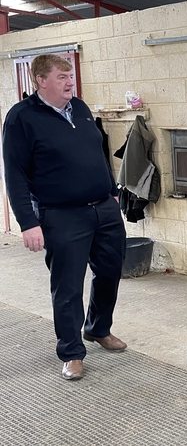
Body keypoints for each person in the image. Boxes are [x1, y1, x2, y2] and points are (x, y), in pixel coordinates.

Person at [2, 54, 127, 380]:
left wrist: (112, 190)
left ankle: (98, 329)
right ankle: (71, 352)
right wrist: (28, 222)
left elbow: (96, 151)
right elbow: (14, 174)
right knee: (68, 287)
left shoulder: (81, 109)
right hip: (62, 215)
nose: (70, 82)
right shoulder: (21, 119)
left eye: (70, 76)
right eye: (62, 77)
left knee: (110, 273)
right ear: (41, 80)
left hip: (104, 208)